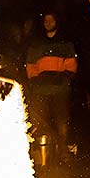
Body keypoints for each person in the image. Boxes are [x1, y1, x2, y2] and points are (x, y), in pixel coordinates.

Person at [25, 10, 78, 165]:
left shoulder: (65, 44)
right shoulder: (36, 44)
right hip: (41, 91)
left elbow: (71, 66)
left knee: (62, 121)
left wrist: (62, 79)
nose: (48, 23)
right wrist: (36, 81)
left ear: (56, 22)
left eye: (51, 21)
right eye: (46, 21)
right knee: (40, 121)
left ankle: (62, 151)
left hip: (60, 90)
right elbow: (30, 66)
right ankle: (42, 154)